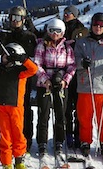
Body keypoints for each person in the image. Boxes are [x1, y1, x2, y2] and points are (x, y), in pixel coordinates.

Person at [74, 12, 103, 160]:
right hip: (85, 85)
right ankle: (85, 141)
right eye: (95, 24)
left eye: (101, 25)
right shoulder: (82, 42)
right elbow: (73, 60)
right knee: (84, 116)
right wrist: (82, 63)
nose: (98, 28)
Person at [32, 17, 76, 159]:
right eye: (52, 31)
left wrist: (65, 81)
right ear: (48, 31)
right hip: (45, 84)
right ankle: (42, 142)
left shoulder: (67, 48)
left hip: (60, 83)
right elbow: (36, 64)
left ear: (63, 32)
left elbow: (72, 66)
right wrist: (45, 79)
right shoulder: (42, 46)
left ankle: (59, 141)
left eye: (58, 31)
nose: (55, 34)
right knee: (44, 114)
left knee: (60, 114)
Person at [0, 5, 39, 150]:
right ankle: (11, 138)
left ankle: (26, 139)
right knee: (9, 108)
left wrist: (33, 31)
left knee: (25, 107)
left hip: (23, 76)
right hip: (8, 77)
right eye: (12, 18)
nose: (15, 21)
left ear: (23, 20)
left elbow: (36, 52)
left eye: (18, 18)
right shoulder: (6, 35)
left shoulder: (29, 36)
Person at [61, 5, 88, 154]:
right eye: (65, 13)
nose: (66, 15)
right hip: (64, 71)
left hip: (78, 73)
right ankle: (68, 133)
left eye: (69, 13)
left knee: (78, 106)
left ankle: (78, 134)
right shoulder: (59, 28)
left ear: (75, 15)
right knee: (66, 106)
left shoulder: (82, 31)